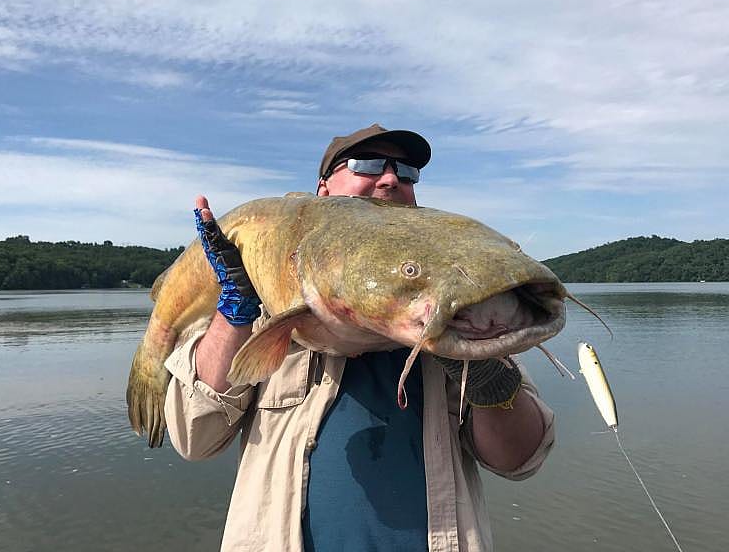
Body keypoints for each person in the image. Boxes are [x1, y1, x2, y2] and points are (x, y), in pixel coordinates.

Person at [163, 124, 555, 552]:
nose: (390, 178)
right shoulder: (262, 307)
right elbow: (195, 439)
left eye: (406, 172)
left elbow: (519, 459)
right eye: (366, 165)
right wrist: (234, 311)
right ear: (323, 190)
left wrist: (484, 370)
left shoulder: (463, 308)